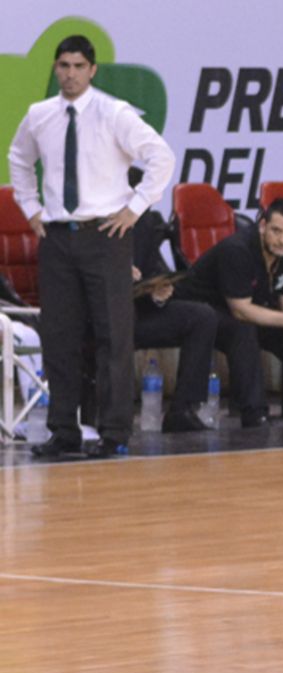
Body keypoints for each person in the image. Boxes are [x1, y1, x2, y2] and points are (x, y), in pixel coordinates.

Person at [7, 34, 175, 458]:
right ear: (55, 68)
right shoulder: (40, 115)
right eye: (64, 66)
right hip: (57, 236)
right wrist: (31, 208)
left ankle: (114, 431)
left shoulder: (113, 113)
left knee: (113, 335)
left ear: (92, 69)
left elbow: (161, 157)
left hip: (106, 234)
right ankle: (63, 430)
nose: (71, 74)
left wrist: (134, 209)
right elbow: (18, 158)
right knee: (59, 337)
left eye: (79, 66)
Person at [173, 197, 283, 427]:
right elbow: (240, 310)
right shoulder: (237, 250)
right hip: (201, 311)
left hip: (244, 309)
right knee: (243, 329)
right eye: (276, 231)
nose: (282, 240)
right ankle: (254, 412)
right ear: (263, 226)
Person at [129, 194, 218, 433]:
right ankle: (111, 417)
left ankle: (183, 410)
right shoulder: (92, 222)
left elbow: (154, 271)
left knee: (202, 316)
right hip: (103, 315)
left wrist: (158, 291)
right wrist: (116, 271)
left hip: (138, 311)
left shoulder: (144, 223)